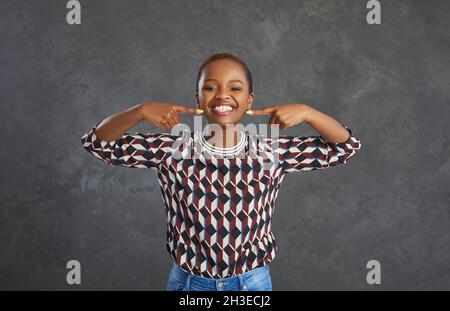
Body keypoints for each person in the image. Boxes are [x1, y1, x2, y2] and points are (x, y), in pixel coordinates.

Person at [81, 52, 362, 291]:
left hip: (251, 283)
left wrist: (307, 112)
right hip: (190, 282)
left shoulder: (271, 153)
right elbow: (98, 144)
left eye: (235, 88)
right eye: (211, 87)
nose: (223, 95)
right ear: (198, 99)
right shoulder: (173, 150)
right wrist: (139, 111)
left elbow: (344, 147)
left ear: (250, 100)